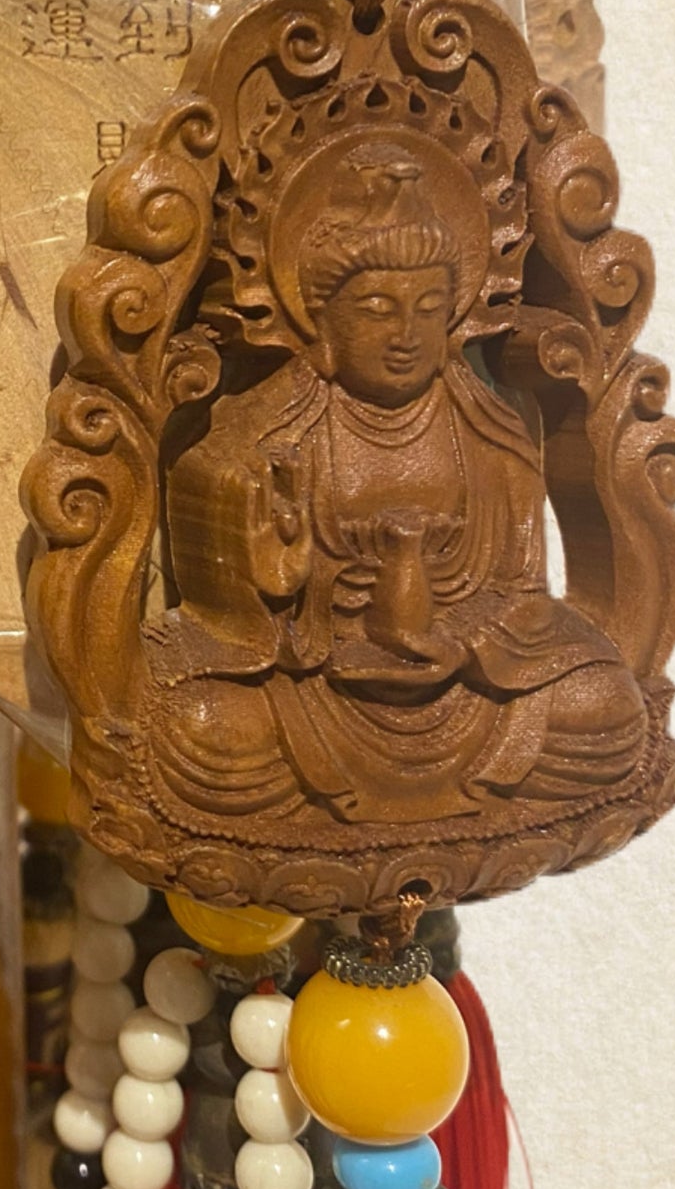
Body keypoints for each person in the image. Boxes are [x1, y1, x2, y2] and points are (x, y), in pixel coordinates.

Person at [146, 154, 646, 824]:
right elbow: (224, 617)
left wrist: (462, 641)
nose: (406, 335)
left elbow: (527, 602)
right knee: (200, 721)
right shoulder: (269, 441)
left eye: (429, 308)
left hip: (467, 696)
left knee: (606, 703)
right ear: (320, 321)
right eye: (377, 309)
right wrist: (294, 588)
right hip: (312, 698)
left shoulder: (494, 441)